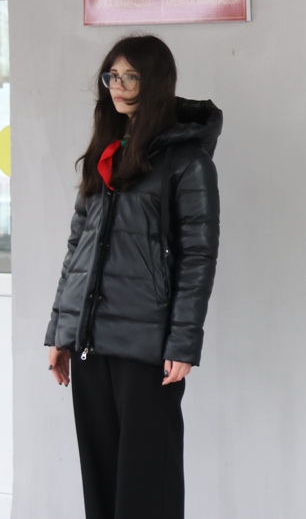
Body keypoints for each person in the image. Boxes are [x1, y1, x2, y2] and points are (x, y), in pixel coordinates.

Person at [45, 34, 222, 519]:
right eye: (112, 76)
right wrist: (62, 330)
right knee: (101, 482)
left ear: (155, 82)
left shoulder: (187, 162)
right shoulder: (106, 154)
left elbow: (198, 257)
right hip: (91, 344)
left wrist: (183, 342)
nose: (118, 86)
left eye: (130, 76)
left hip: (148, 349)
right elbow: (77, 251)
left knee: (148, 486)